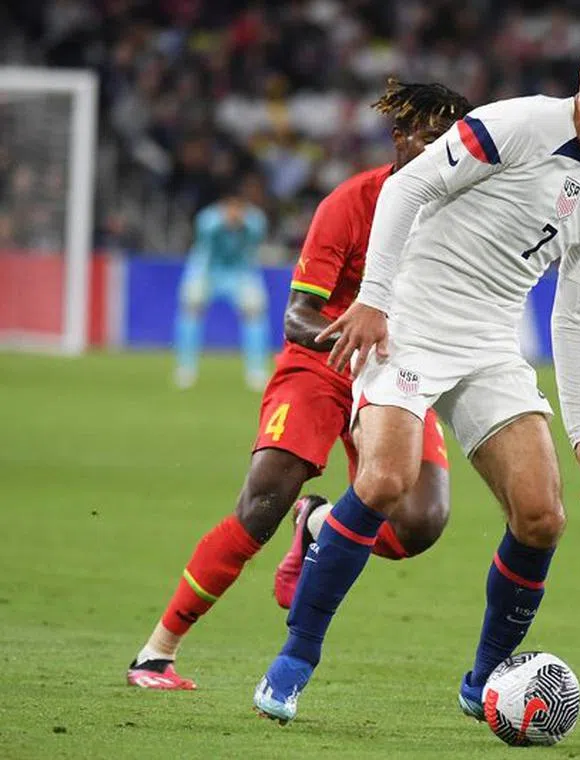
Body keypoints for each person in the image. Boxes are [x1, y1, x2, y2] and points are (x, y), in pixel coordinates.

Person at [252, 15, 580, 725]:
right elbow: (404, 190)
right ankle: (296, 659)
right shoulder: (515, 125)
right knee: (385, 480)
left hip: (488, 344)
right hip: (410, 325)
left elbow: (575, 314)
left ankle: (483, 684)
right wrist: (375, 302)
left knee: (541, 517)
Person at [126, 80, 473, 691]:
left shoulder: (458, 214)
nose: (442, 154)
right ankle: (157, 652)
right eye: (429, 137)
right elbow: (296, 316)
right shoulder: (349, 203)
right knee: (264, 499)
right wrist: (356, 336)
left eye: (453, 143)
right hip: (324, 363)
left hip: (399, 370)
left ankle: (315, 523)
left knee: (421, 522)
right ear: (399, 138)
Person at [173, 177, 270, 390]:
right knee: (191, 309)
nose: (235, 213)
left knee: (255, 312)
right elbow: (204, 247)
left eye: (239, 208)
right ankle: (186, 368)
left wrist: (242, 224)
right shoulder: (208, 220)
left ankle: (256, 370)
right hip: (207, 271)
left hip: (240, 273)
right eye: (230, 207)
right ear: (223, 206)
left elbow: (252, 245)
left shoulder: (255, 220)